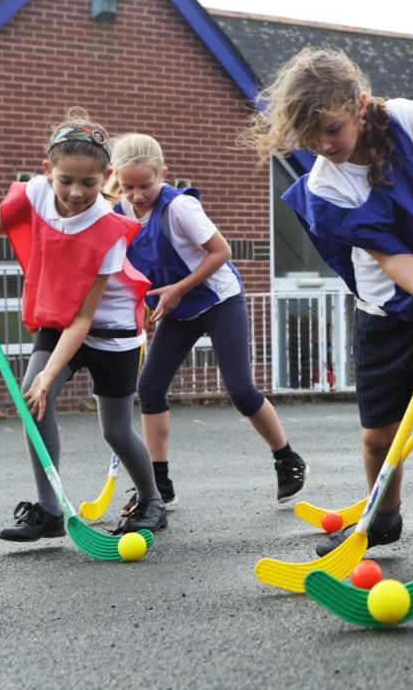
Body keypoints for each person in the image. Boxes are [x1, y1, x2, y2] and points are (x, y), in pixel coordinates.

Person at [248, 47, 413, 568]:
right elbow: (391, 254)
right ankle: (383, 519)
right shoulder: (324, 185)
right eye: (309, 137)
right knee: (376, 438)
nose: (324, 146)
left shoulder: (406, 119)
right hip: (385, 315)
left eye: (332, 129)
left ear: (360, 104)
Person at [0, 108, 166, 541]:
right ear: (47, 171)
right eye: (66, 180)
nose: (76, 192)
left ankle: (152, 500)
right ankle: (49, 510)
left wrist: (49, 375)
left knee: (115, 429)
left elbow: (85, 318)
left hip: (110, 332)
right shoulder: (34, 194)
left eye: (89, 183)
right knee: (33, 401)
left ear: (106, 176)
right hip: (59, 321)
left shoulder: (109, 229)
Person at [106, 133, 306, 509]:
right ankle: (158, 484)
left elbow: (221, 252)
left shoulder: (179, 208)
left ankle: (287, 459)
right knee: (149, 387)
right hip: (177, 307)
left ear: (163, 174)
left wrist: (177, 289)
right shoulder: (119, 213)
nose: (136, 195)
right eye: (127, 186)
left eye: (145, 185)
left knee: (241, 390)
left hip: (218, 300)